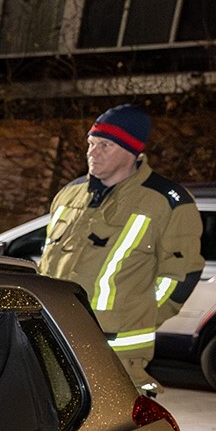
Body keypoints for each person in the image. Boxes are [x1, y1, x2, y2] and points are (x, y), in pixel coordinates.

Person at [38, 104, 203, 396]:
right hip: (54, 337)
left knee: (116, 422)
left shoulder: (166, 201)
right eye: (91, 143)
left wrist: (142, 314)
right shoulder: (69, 194)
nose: (93, 152)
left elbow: (182, 272)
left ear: (131, 150)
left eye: (105, 145)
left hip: (117, 349)